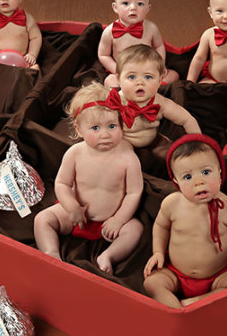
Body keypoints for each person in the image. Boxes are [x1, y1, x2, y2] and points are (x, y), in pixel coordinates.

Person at [144, 134, 227, 308]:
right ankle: (176, 311)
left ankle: (192, 303)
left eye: (206, 172)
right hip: (176, 273)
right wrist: (158, 252)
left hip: (218, 274)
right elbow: (161, 226)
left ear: (220, 173)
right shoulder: (172, 203)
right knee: (152, 283)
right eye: (187, 177)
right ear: (176, 181)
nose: (199, 182)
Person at [34, 82, 144, 275]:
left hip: (109, 222)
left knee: (135, 229)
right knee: (42, 219)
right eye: (95, 128)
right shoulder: (75, 153)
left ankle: (108, 255)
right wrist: (72, 207)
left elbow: (134, 192)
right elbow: (62, 184)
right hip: (76, 216)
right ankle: (51, 253)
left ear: (121, 123)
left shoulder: (128, 158)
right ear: (79, 129)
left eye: (112, 126)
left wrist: (119, 219)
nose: (105, 135)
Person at [110, 44, 200, 148]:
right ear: (118, 79)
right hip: (125, 142)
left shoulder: (160, 102)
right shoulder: (115, 101)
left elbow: (187, 119)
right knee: (124, 156)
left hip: (153, 141)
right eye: (132, 77)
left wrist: (198, 144)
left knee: (173, 152)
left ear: (160, 80)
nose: (140, 82)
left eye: (148, 77)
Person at [98, 0, 179, 88]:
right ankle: (129, 93)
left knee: (174, 75)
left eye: (140, 4)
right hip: (125, 73)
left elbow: (159, 46)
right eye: (126, 3)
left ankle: (154, 87)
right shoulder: (109, 32)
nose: (133, 8)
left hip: (148, 71)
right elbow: (103, 55)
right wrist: (117, 70)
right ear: (115, 7)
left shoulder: (151, 28)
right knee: (109, 81)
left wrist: (159, 66)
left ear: (147, 8)